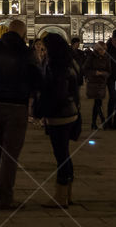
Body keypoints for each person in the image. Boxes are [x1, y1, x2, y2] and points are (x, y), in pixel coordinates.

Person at [0, 19, 41, 210]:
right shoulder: (27, 52)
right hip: (17, 107)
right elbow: (38, 80)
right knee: (10, 154)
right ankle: (5, 197)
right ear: (24, 34)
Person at [35, 33, 81, 208]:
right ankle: (67, 193)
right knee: (65, 154)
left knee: (61, 155)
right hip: (72, 112)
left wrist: (42, 111)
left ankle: (61, 197)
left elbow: (55, 93)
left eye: (45, 48)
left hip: (59, 115)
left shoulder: (56, 66)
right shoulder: (71, 62)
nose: (43, 52)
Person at [83, 42, 109, 130]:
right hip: (93, 83)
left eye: (104, 49)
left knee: (98, 103)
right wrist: (94, 73)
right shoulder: (91, 58)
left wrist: (103, 73)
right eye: (101, 49)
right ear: (97, 50)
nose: (103, 51)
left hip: (102, 82)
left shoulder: (106, 58)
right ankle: (102, 121)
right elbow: (85, 69)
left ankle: (94, 123)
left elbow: (109, 71)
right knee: (98, 102)